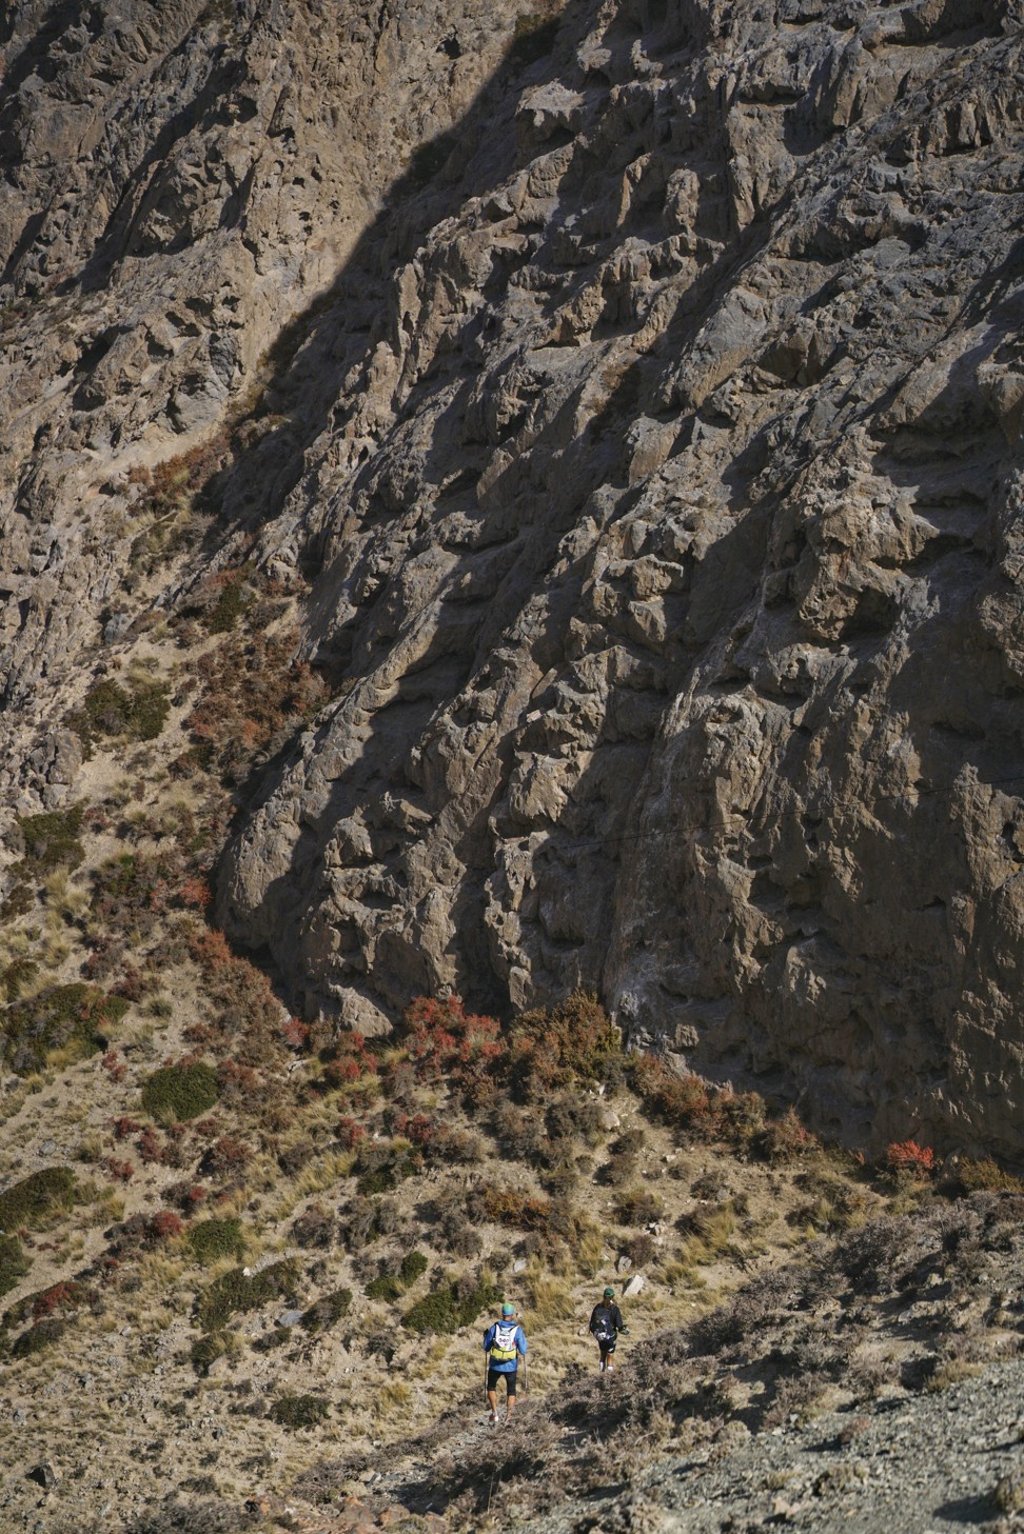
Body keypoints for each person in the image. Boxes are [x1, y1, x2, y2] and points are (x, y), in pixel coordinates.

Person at [482, 1301, 527, 1424]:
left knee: (491, 1387)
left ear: (502, 1314)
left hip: (495, 1365)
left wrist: (486, 1337)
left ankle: (494, 1414)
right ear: (512, 1315)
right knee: (511, 1391)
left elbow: (486, 1347)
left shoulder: (494, 1327)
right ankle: (509, 1416)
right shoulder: (517, 1330)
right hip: (511, 1366)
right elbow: (523, 1350)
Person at [589, 1286, 627, 1371]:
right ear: (612, 1296)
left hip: (600, 1336)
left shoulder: (598, 1307)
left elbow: (592, 1322)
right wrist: (624, 1330)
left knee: (602, 1355)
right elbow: (619, 1325)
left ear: (603, 1296)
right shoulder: (615, 1309)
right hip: (611, 1336)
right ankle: (609, 1378)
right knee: (610, 1355)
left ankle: (601, 1374)